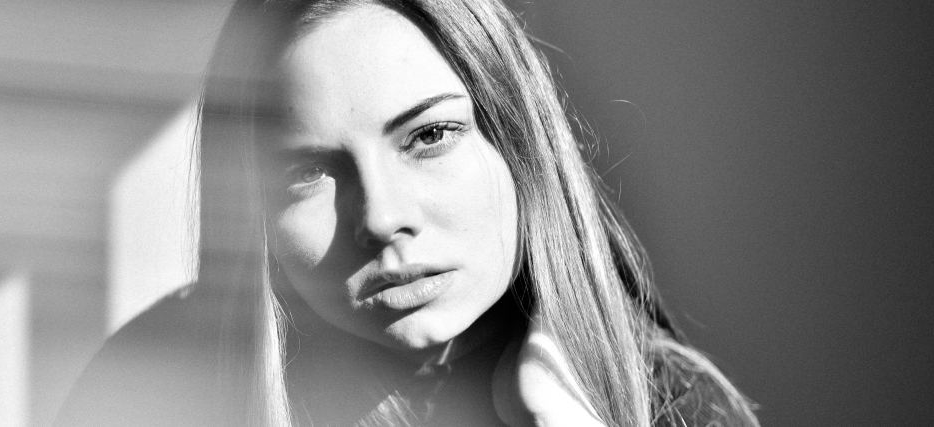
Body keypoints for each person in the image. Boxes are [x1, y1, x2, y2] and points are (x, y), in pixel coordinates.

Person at [59, 0, 758, 425]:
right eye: (306, 173)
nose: (382, 217)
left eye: (429, 137)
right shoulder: (154, 389)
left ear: (518, 141)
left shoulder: (666, 403)